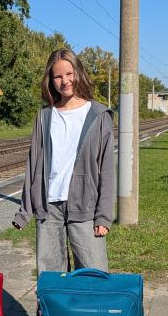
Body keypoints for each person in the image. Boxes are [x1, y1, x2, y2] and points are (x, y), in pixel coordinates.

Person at [13, 48, 115, 273]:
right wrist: (24, 211)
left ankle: (88, 310)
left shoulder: (99, 115)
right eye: (58, 76)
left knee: (93, 275)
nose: (65, 81)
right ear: (50, 80)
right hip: (49, 208)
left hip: (85, 206)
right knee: (50, 280)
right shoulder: (44, 116)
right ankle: (50, 311)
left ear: (78, 73)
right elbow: (34, 164)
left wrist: (104, 216)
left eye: (69, 74)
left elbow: (106, 169)